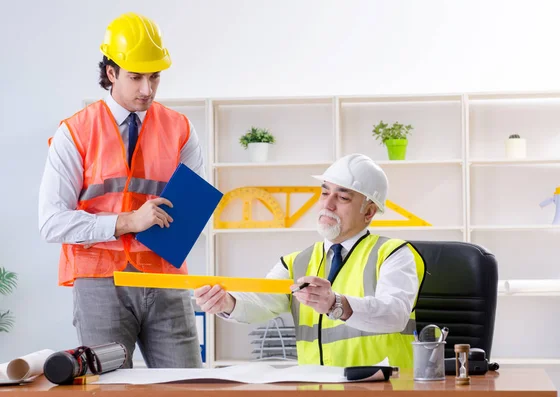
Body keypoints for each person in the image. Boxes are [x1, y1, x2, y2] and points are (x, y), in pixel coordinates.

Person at [38, 12, 204, 369]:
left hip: (166, 279)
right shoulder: (75, 132)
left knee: (188, 388)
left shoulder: (180, 129)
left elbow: (193, 210)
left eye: (154, 77)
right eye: (136, 77)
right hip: (101, 283)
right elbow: (51, 223)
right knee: (111, 389)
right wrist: (127, 221)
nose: (147, 89)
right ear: (111, 73)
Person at [194, 153, 427, 368]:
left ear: (368, 212)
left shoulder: (393, 253)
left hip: (382, 388)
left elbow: (394, 315)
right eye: (325, 193)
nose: (328, 204)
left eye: (343, 197)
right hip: (317, 386)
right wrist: (227, 303)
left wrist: (336, 304)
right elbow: (262, 302)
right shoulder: (295, 262)